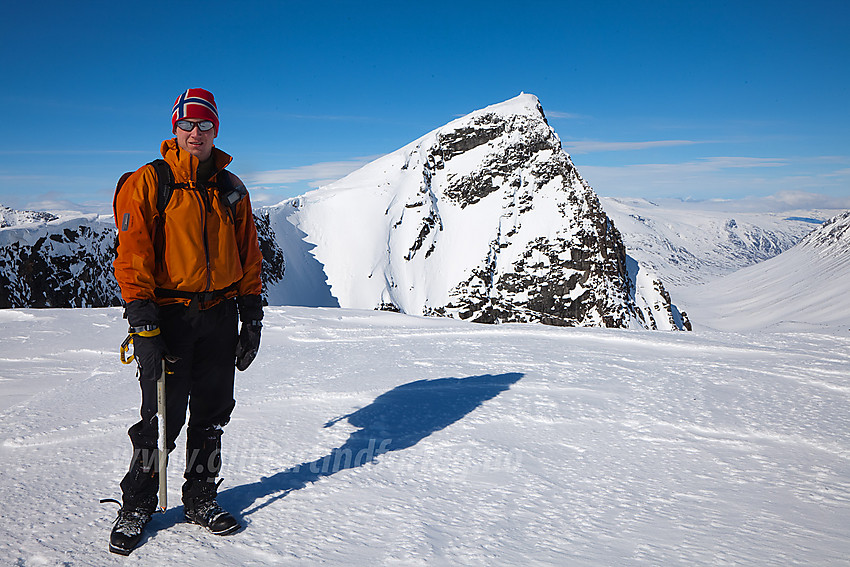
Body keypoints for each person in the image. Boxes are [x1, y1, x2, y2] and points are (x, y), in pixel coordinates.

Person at [109, 88, 264, 555]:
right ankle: (137, 503)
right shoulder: (149, 181)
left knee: (212, 415)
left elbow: (248, 254)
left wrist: (251, 315)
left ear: (217, 129)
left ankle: (200, 497)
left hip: (220, 313)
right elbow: (132, 256)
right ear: (174, 129)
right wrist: (143, 322)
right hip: (170, 316)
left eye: (205, 124)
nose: (196, 133)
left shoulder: (232, 187)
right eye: (187, 125)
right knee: (160, 416)